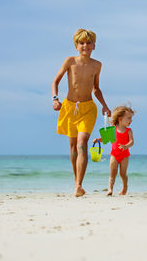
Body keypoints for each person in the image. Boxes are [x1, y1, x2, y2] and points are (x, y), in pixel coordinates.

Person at [52, 28, 111, 197]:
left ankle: (79, 185)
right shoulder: (70, 61)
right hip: (69, 108)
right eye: (81, 43)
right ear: (76, 45)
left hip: (88, 108)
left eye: (88, 42)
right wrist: (55, 99)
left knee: (82, 143)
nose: (85, 45)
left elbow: (96, 89)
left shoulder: (97, 65)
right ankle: (76, 181)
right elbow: (55, 81)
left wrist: (105, 106)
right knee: (73, 148)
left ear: (94, 45)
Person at [94, 106, 135, 196]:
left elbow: (132, 142)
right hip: (114, 155)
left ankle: (124, 188)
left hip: (124, 155)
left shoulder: (129, 131)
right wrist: (98, 140)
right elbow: (106, 138)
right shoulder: (113, 128)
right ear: (120, 118)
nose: (131, 120)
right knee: (113, 173)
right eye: (129, 118)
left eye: (131, 118)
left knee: (122, 173)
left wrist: (126, 146)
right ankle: (110, 189)